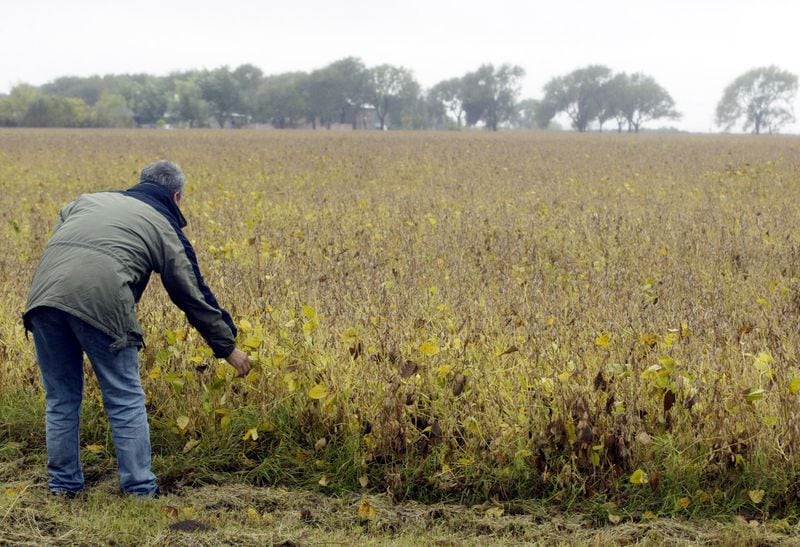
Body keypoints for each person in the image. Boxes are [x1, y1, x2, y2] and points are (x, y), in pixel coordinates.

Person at [23, 160, 251, 498]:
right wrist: (227, 347)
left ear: (141, 183)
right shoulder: (162, 226)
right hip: (101, 303)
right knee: (124, 398)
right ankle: (140, 490)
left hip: (42, 299)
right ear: (176, 197)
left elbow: (64, 241)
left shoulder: (84, 201)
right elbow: (192, 294)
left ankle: (63, 487)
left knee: (61, 398)